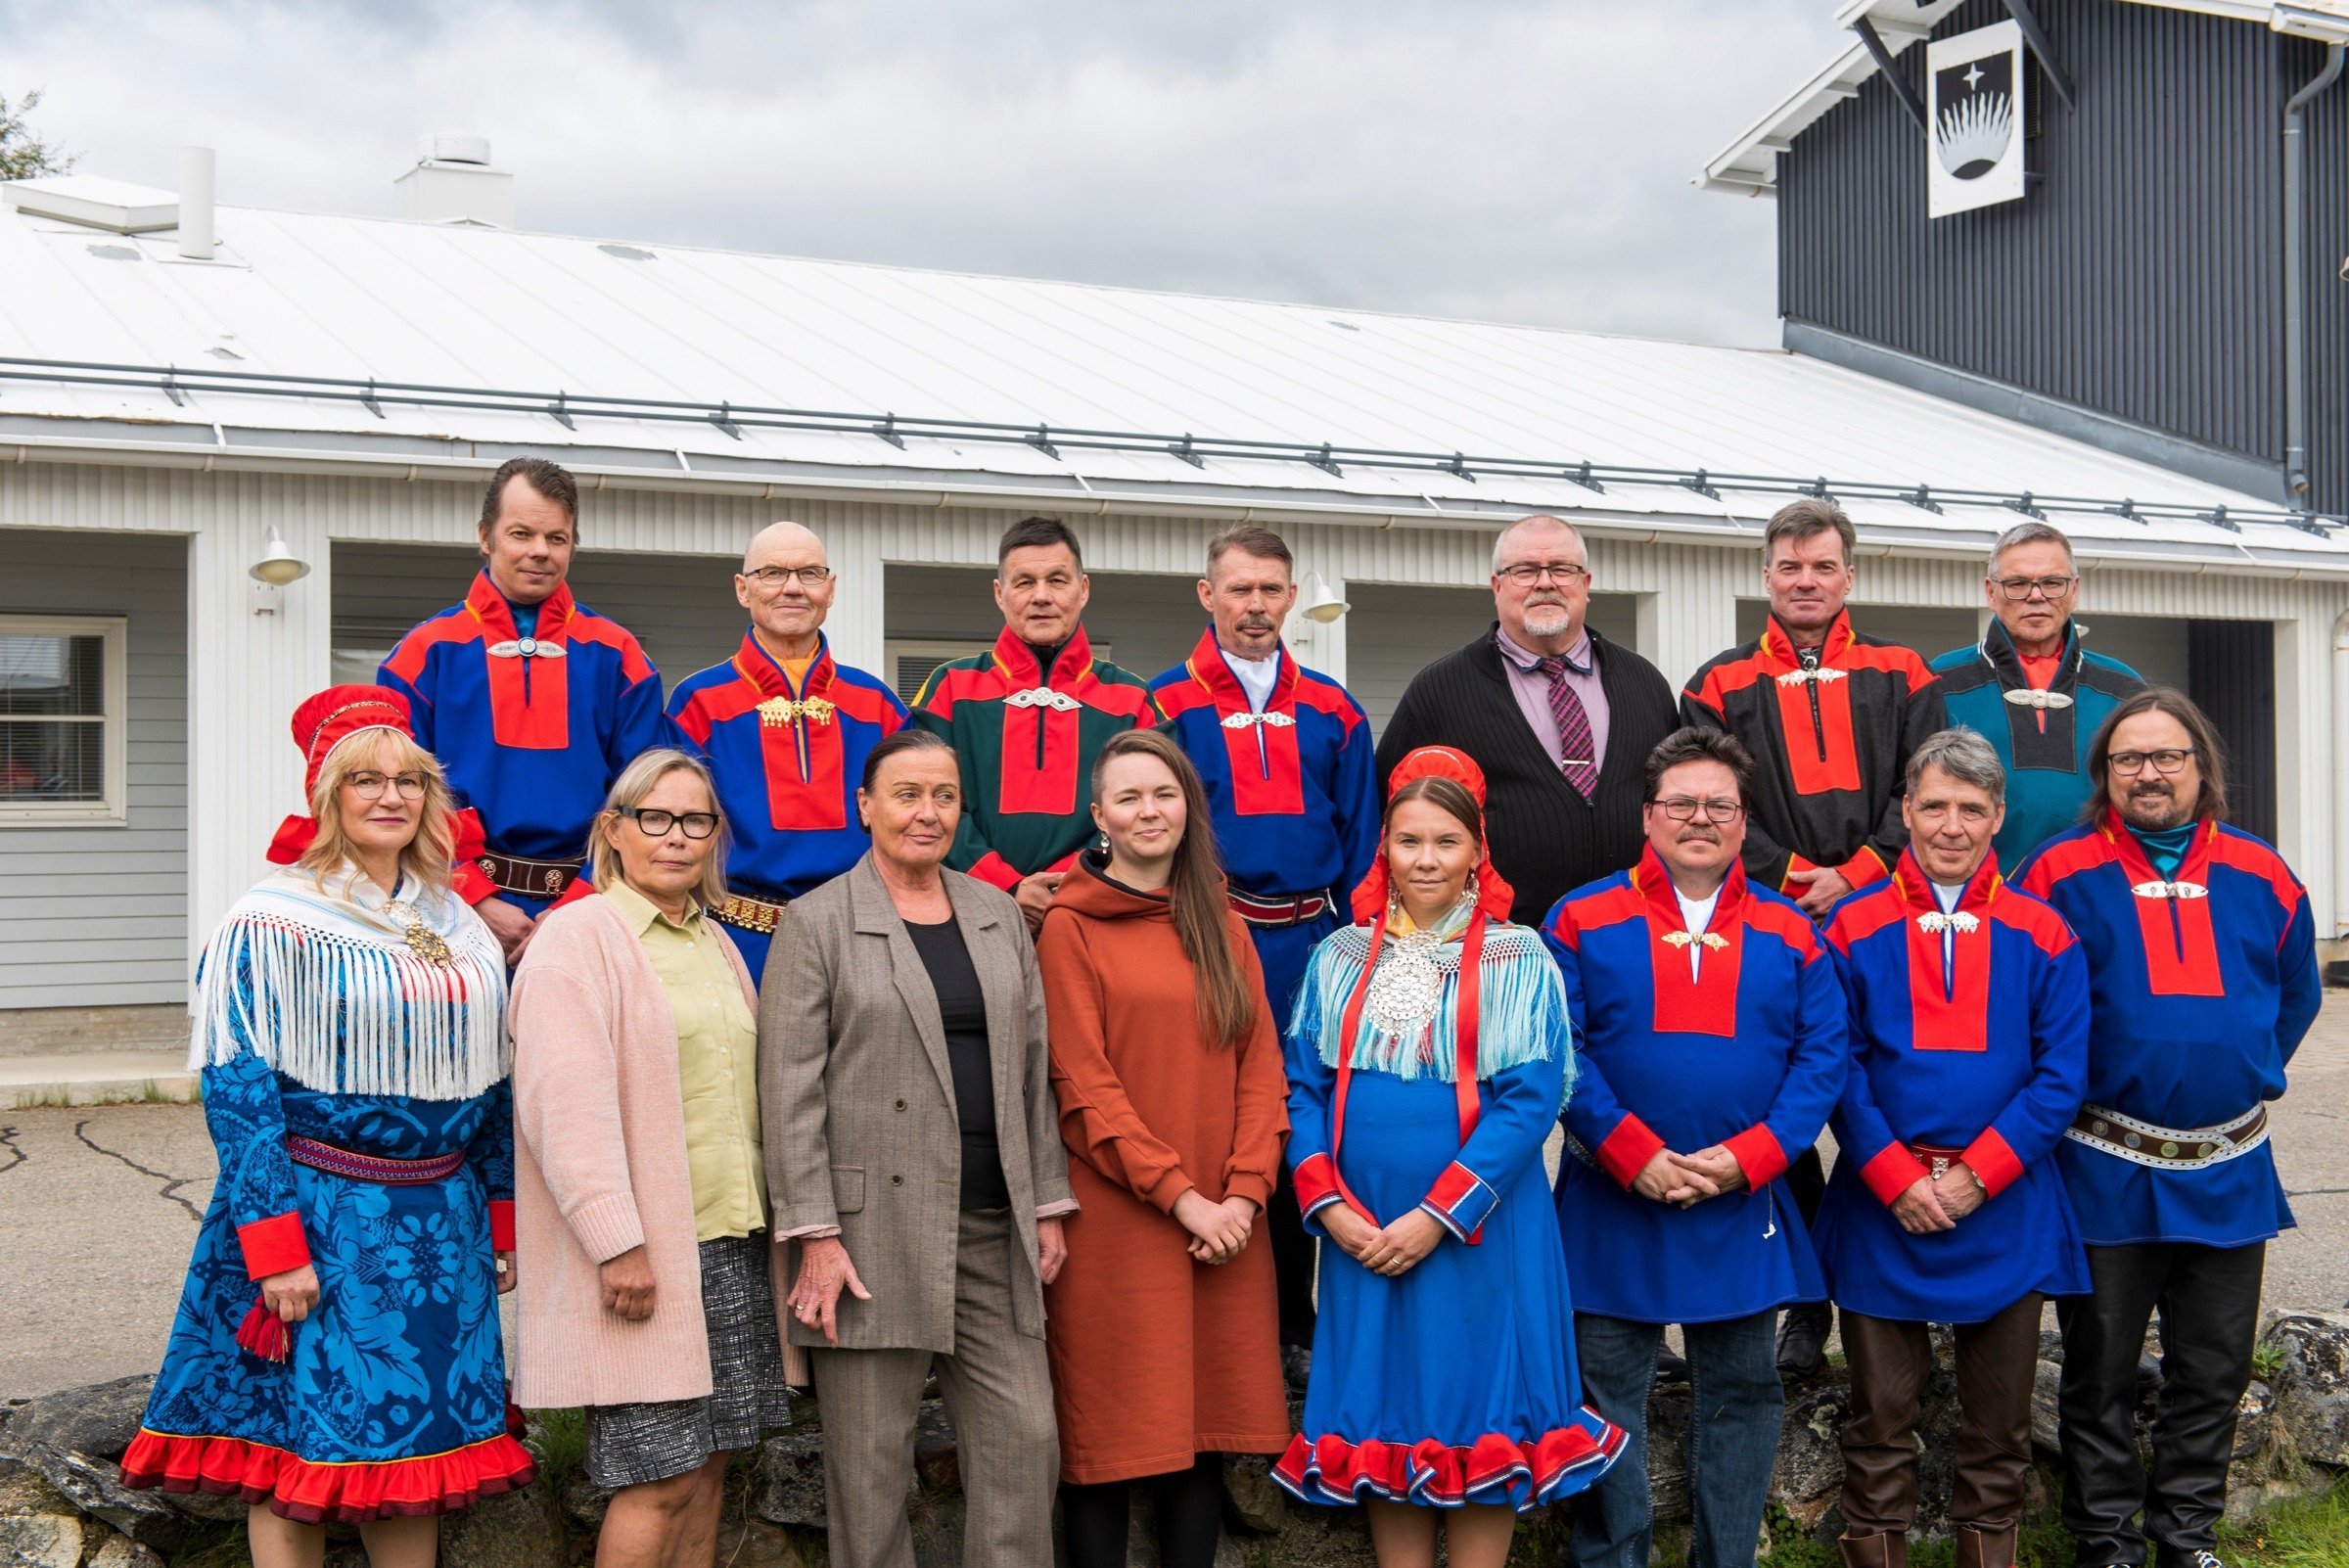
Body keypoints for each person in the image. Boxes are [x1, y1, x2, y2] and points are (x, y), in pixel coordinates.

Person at [121, 686, 532, 1564]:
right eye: (365, 780)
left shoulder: (455, 923)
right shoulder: (272, 921)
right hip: (321, 1217)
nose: (391, 796)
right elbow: (238, 1097)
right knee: (296, 1456)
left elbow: (491, 1083)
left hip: (440, 1223)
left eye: (409, 780)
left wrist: (496, 1215)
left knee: (426, 1453)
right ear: (326, 795)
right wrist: (276, 1248)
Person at [1275, 746, 1626, 1568]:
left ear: (1477, 851)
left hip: (1476, 1231)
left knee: (1480, 1419)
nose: (1425, 860)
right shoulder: (1338, 958)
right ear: (1384, 850)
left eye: (1444, 842)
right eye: (1408, 842)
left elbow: (1530, 1099)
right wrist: (1330, 1206)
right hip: (1364, 1232)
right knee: (1385, 1419)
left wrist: (1438, 1216)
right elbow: (1303, 1089)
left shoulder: (1519, 958)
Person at [2016, 689, 2319, 1568]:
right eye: (2128, 759)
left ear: (2200, 767)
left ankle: (2186, 1538)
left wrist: (2244, 1060)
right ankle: (2105, 1540)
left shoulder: (2262, 871)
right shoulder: (2057, 870)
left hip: (2232, 1165)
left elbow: (2294, 992)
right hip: (2107, 1164)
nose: (2148, 773)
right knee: (2100, 1369)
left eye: (2167, 757)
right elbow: (2029, 997)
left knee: (2213, 1372)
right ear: (2104, 773)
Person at [760, 726, 1074, 1568]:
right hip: (867, 1239)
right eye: (906, 794)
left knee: (1025, 1444)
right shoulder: (817, 921)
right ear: (864, 806)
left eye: (943, 796)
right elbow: (788, 1094)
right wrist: (814, 1238)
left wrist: (1046, 1202)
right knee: (868, 1478)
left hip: (989, 1226)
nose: (926, 813)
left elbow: (1031, 1068)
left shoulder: (996, 912)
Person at [1543, 726, 1848, 1568]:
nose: (1700, 818)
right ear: (1648, 816)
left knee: (1745, 1391)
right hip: (1613, 1194)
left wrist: (1753, 1156)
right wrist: (1627, 1148)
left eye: (1720, 804)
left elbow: (1822, 1061)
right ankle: (1613, 1557)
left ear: (1745, 821)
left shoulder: (1793, 930)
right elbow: (1557, 1048)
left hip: (1740, 1197)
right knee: (1606, 1396)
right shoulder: (1580, 915)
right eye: (1682, 802)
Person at [508, 749, 800, 1568]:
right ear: (614, 830)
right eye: (655, 819)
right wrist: (617, 1243)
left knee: (709, 1467)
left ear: (716, 836)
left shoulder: (713, 941)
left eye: (696, 821)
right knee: (656, 1478)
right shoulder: (578, 939)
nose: (676, 837)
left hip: (729, 1242)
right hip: (647, 1255)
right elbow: (561, 1110)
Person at [1814, 728, 2092, 1568]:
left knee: (2000, 1428)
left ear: (1999, 816)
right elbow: (1837, 1065)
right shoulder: (1849, 929)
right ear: (1905, 811)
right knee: (1879, 1419)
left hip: (2007, 1206)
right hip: (1880, 1202)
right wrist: (1896, 1175)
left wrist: (1977, 1176)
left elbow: (2059, 1078)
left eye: (1972, 808)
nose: (1951, 825)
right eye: (1933, 805)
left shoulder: (2047, 932)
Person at [1680, 497, 1944, 1374]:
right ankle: (1801, 1307)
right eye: (1790, 567)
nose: (1806, 581)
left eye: (1822, 566)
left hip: (1884, 918)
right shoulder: (1715, 683)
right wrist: (1796, 878)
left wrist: (1861, 872)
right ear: (1766, 575)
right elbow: (1712, 802)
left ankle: (1905, 1290)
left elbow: (1929, 788)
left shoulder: (1905, 671)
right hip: (1772, 921)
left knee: (1888, 1100)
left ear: (1848, 576)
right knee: (1777, 1108)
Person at [1037, 728, 1292, 1568]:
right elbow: (1083, 1088)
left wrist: (1246, 1195)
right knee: (1110, 1441)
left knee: (1203, 1433)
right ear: (1098, 815)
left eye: (1166, 794)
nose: (1150, 810)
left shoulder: (1221, 919)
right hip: (1123, 1221)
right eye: (1130, 796)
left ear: (1189, 808)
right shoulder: (1071, 928)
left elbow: (1262, 1071)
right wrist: (1183, 1196)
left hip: (1227, 1224)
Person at [1149, 524, 1377, 1380]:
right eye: (1238, 590)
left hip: (1316, 943)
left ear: (1290, 599)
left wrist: (1362, 950)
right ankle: (1217, 1320)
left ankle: (1304, 1321)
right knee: (1218, 1120)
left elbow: (1363, 842)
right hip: (1208, 936)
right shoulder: (1165, 705)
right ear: (1207, 597)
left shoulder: (1334, 706)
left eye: (1271, 591)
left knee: (1310, 1118)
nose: (1255, 606)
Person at [378, 456, 668, 964]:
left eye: (557, 538)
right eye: (521, 534)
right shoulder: (422, 655)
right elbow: (398, 795)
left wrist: (579, 902)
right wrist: (472, 894)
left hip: (593, 906)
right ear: (485, 536)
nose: (540, 552)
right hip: (450, 907)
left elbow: (645, 801)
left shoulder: (621, 657)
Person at [1376, 514, 1679, 927]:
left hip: (1628, 932)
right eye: (1525, 570)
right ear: (1497, 587)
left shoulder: (1644, 683)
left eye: (1561, 569)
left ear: (1585, 585)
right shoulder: (1440, 690)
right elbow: (1388, 813)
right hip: (1497, 940)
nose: (1545, 582)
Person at [668, 520, 909, 980]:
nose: (793, 588)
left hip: (862, 940)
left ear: (831, 588)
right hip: (733, 942)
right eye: (773, 573)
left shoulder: (877, 704)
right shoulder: (697, 702)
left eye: (810, 574)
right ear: (743, 588)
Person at [911, 516, 1157, 929]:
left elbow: (1143, 810)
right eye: (1024, 582)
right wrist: (1006, 887)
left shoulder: (1134, 699)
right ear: (999, 593)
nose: (1041, 596)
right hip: (967, 917)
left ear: (1083, 589)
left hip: (1094, 917)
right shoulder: (949, 687)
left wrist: (1067, 883)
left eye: (1057, 580)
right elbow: (926, 803)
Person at [1930, 522, 2144, 866]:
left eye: (2052, 583)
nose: (2036, 595)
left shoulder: (2123, 689)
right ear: (1990, 591)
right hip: (1979, 897)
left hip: (2094, 890)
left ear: (2074, 590)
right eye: (2017, 584)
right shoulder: (1939, 681)